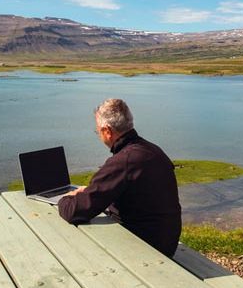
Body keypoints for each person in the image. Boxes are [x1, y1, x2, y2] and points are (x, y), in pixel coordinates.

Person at [58, 98, 182, 257]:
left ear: (107, 131)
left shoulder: (123, 161)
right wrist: (89, 192)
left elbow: (74, 212)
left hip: (147, 248)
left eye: (98, 131)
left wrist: (66, 198)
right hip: (166, 241)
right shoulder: (152, 150)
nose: (98, 135)